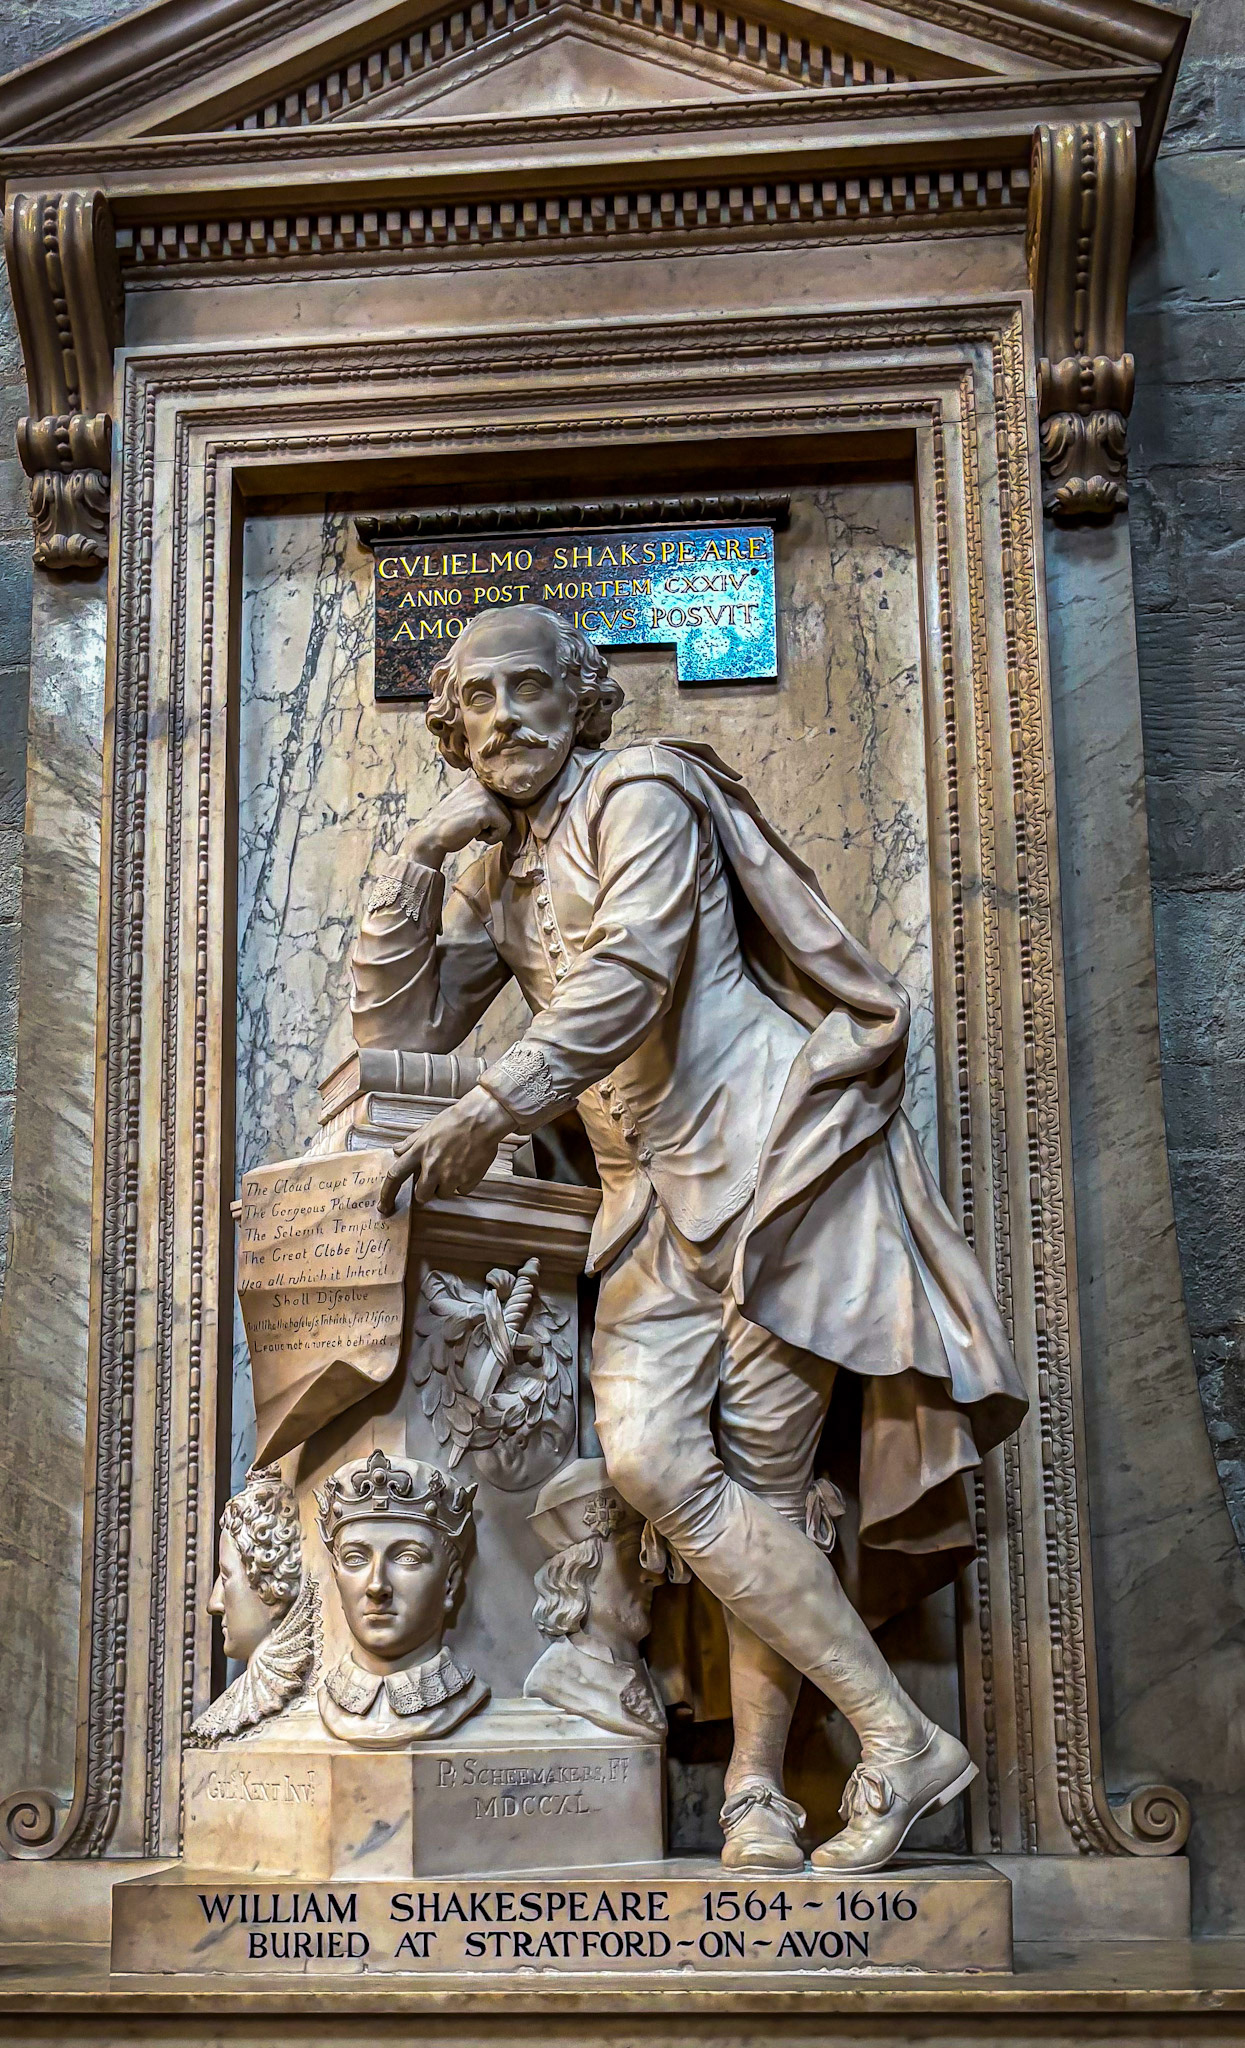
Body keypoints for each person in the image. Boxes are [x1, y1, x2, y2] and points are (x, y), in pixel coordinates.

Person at [352, 604, 1026, 1870]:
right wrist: (417, 862)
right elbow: (401, 1028)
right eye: (477, 698)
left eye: (529, 687)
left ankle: (760, 1794)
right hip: (644, 1203)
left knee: (762, 1485)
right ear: (452, 724)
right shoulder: (498, 866)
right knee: (658, 1461)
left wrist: (496, 1107)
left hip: (777, 1169)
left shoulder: (644, 791)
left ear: (578, 697)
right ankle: (898, 1733)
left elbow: (635, 972)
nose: (504, 716)